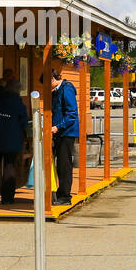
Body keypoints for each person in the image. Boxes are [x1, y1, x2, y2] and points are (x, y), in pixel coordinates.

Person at [0, 78, 27, 204]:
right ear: (17, 91)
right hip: (12, 140)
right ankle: (7, 198)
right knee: (10, 167)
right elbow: (24, 121)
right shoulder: (18, 103)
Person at [50, 66, 79, 205]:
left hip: (66, 133)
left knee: (64, 164)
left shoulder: (66, 89)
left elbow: (72, 113)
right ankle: (59, 193)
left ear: (53, 79)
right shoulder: (57, 91)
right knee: (59, 164)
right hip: (60, 132)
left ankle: (65, 197)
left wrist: (58, 127)